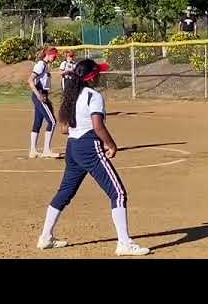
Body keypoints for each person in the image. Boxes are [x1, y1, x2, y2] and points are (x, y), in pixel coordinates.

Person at [36, 59, 151, 256]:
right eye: (98, 73)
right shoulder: (94, 96)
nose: (100, 75)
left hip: (73, 147)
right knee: (118, 193)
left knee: (65, 192)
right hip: (89, 147)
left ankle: (45, 237)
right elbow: (98, 126)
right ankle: (124, 243)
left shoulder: (72, 95)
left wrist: (79, 126)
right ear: (91, 76)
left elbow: (64, 129)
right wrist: (112, 145)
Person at [27, 47, 60, 159]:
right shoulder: (41, 65)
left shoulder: (46, 65)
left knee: (38, 122)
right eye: (54, 56)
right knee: (52, 121)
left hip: (43, 95)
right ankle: (46, 150)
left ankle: (33, 151)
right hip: (39, 96)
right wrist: (38, 95)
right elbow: (30, 80)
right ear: (49, 54)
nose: (55, 58)